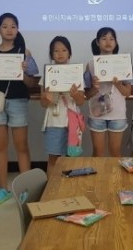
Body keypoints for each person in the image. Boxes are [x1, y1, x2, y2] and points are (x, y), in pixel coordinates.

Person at [0, 12, 38, 206]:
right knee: (0, 147)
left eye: (13, 26)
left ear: (18, 29)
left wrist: (23, 70)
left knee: (22, 147)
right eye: (5, 26)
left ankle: (27, 190)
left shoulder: (25, 53)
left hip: (18, 101)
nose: (9, 29)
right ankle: (3, 189)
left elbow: (31, 83)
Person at [39, 36, 86, 177]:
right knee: (53, 158)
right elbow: (43, 103)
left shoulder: (76, 73)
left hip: (72, 123)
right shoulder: (47, 74)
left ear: (69, 53)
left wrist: (75, 94)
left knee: (72, 159)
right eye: (56, 51)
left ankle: (69, 188)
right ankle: (52, 188)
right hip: (54, 122)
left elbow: (81, 101)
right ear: (51, 54)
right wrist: (46, 98)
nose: (60, 53)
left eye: (64, 50)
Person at [84, 27, 132, 157]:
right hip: (97, 113)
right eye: (104, 38)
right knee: (98, 152)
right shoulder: (90, 64)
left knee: (115, 152)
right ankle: (97, 172)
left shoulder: (123, 63)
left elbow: (127, 92)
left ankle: (114, 173)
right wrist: (95, 87)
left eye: (112, 39)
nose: (108, 42)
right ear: (97, 42)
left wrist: (118, 84)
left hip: (117, 114)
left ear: (116, 42)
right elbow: (87, 94)